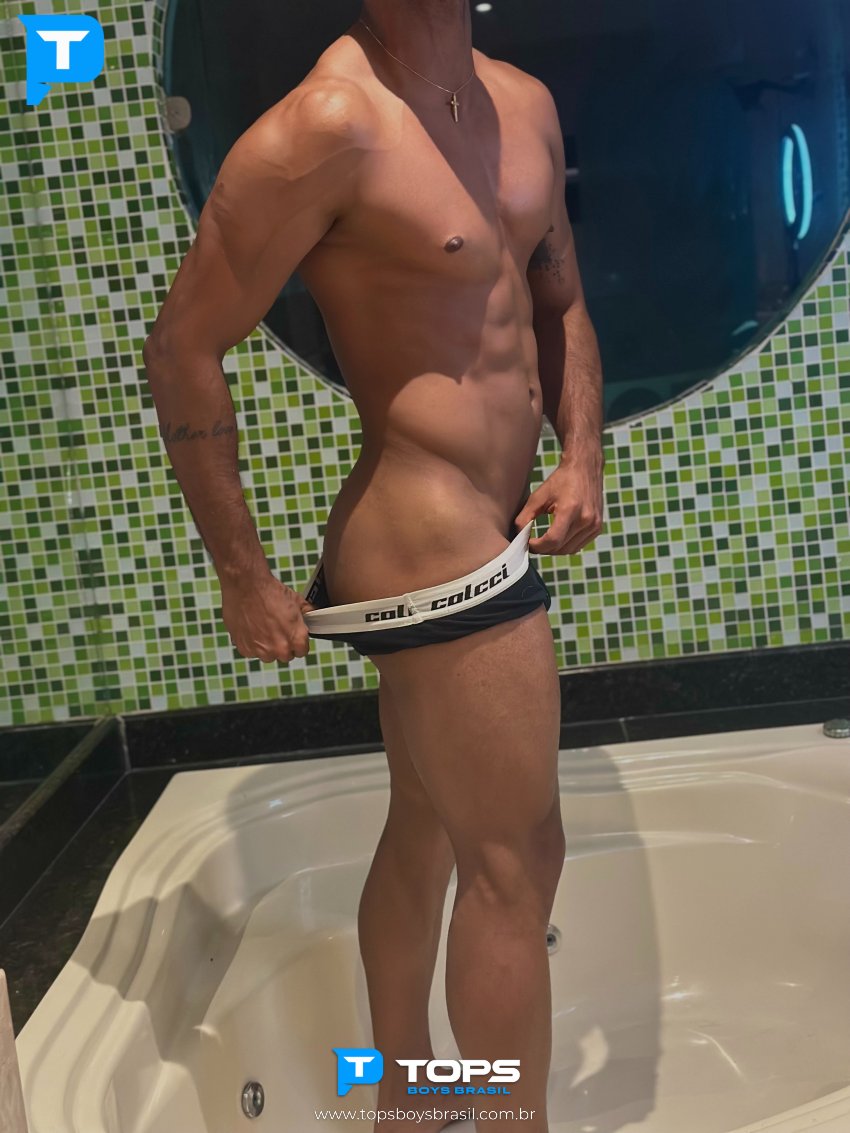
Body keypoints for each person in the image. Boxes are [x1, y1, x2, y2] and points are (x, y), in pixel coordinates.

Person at [142, 2, 604, 1128]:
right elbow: (182, 346)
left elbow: (558, 297)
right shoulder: (326, 126)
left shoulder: (522, 103)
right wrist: (241, 574)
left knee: (432, 824)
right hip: (426, 536)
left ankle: (406, 1091)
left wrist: (582, 452)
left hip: (489, 520)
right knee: (515, 858)